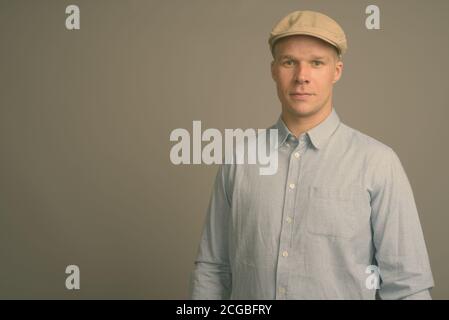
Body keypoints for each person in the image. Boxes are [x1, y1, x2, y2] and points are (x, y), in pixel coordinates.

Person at [189, 10, 434, 299]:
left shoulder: (378, 163)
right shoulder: (240, 161)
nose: (301, 77)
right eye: (289, 62)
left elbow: (407, 287)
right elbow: (213, 270)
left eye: (317, 63)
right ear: (273, 70)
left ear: (337, 71)